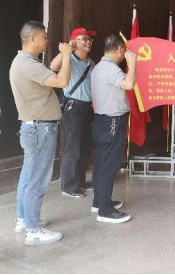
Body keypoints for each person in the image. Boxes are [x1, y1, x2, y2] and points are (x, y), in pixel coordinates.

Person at [9, 21, 72, 245]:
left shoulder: (22, 62)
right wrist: (66, 56)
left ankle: (23, 220)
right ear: (32, 38)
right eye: (44, 36)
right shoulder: (28, 64)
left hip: (32, 127)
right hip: (41, 129)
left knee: (28, 176)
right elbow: (62, 81)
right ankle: (33, 230)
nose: (47, 40)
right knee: (38, 180)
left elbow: (51, 75)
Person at [90, 35, 137, 223]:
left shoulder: (98, 67)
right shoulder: (110, 68)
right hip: (112, 121)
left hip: (102, 120)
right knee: (108, 165)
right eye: (125, 51)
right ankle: (105, 211)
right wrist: (132, 64)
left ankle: (99, 201)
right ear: (120, 49)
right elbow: (129, 84)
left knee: (102, 162)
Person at [50, 27, 96, 198]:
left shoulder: (91, 63)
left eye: (89, 39)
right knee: (72, 147)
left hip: (88, 108)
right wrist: (66, 50)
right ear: (75, 41)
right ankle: (68, 186)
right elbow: (53, 66)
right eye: (84, 38)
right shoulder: (68, 58)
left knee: (85, 147)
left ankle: (80, 181)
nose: (88, 41)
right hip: (73, 107)